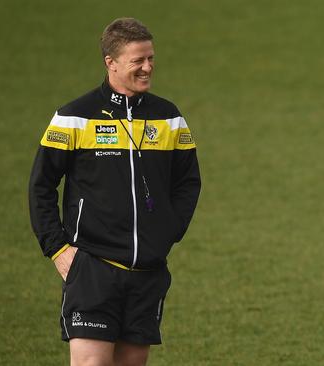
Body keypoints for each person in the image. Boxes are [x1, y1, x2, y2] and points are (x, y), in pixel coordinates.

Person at [28, 18, 201, 365]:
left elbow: (188, 182)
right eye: (138, 60)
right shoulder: (74, 118)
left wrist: (168, 229)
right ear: (112, 62)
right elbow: (41, 186)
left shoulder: (169, 118)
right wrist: (57, 248)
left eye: (150, 58)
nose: (148, 67)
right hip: (92, 268)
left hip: (147, 272)